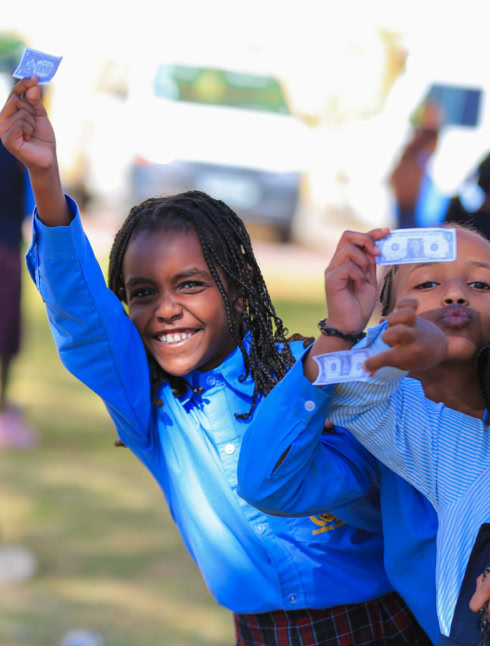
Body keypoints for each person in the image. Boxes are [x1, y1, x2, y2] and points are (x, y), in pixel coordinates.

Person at [0, 76, 433, 646]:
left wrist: (347, 336)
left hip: (379, 622)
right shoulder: (148, 402)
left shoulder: (312, 369)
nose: (166, 309)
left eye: (189, 284)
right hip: (260, 632)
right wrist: (44, 177)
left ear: (241, 289)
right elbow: (82, 316)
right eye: (142, 293)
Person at [244, 223, 489, 644]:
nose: (455, 295)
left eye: (481, 283)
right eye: (428, 283)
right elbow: (268, 482)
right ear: (386, 315)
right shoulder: (415, 426)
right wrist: (344, 332)